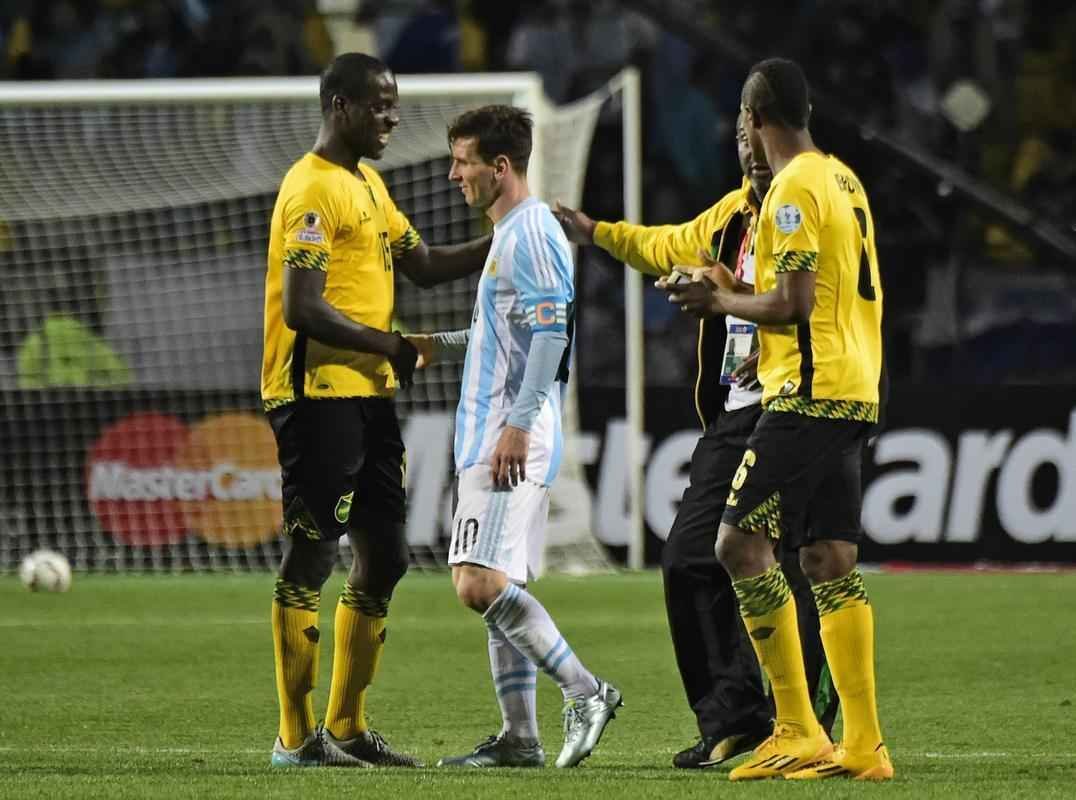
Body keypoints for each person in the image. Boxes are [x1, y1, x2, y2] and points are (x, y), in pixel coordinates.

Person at [553, 115, 837, 770]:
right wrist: (597, 232)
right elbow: (663, 244)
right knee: (688, 558)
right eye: (739, 136)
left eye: (757, 133)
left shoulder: (808, 205)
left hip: (795, 400)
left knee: (791, 561)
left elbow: (813, 301)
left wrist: (725, 293)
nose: (750, 147)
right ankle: (733, 718)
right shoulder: (731, 216)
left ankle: (808, 720)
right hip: (736, 413)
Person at [261, 52, 494, 768]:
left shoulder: (368, 185)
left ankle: (349, 727)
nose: (393, 117)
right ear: (339, 105)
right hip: (316, 395)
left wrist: (511, 239)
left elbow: (420, 265)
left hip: (369, 397)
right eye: (379, 105)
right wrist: (388, 342)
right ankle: (295, 738)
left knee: (386, 556)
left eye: (394, 104)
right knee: (311, 554)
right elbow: (303, 308)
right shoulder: (311, 190)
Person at [665, 57, 892, 781]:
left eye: (742, 118)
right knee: (828, 561)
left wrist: (719, 303)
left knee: (736, 546)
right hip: (856, 386)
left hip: (804, 392)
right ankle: (864, 743)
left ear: (757, 118)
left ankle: (795, 725)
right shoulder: (843, 178)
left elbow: (790, 302)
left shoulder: (791, 187)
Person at [408, 105, 622, 770]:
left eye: (464, 162)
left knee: (475, 582)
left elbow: (553, 338)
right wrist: (432, 348)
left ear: (500, 167)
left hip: (510, 435)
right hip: (495, 431)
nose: (453, 175)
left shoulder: (531, 233)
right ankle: (519, 737)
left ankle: (587, 692)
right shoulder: (511, 233)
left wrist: (517, 425)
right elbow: (503, 337)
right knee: (494, 586)